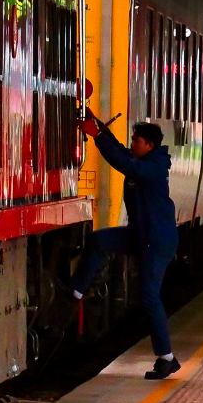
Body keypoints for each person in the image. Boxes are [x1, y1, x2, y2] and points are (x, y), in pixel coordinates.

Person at [72, 111, 182, 380]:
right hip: (141, 235)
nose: (132, 144)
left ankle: (167, 358)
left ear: (149, 145)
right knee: (99, 241)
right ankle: (75, 291)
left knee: (149, 296)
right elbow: (122, 152)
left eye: (136, 141)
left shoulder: (153, 167)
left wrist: (98, 136)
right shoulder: (143, 160)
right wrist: (100, 128)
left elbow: (124, 163)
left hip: (156, 240)